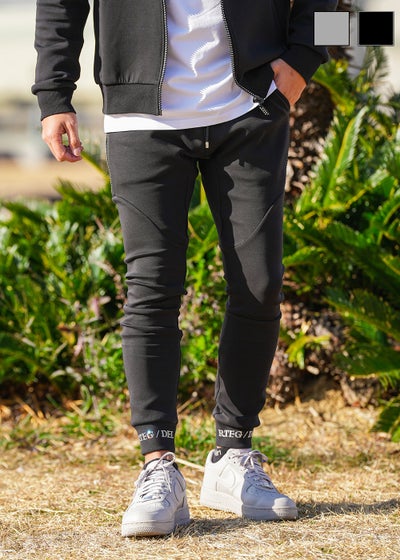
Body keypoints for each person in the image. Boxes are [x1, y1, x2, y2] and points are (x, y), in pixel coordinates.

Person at [33, 0, 337, 538]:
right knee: (151, 287)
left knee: (260, 283)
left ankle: (233, 454)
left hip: (249, 105)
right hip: (141, 114)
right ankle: (157, 466)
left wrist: (304, 59)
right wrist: (53, 94)